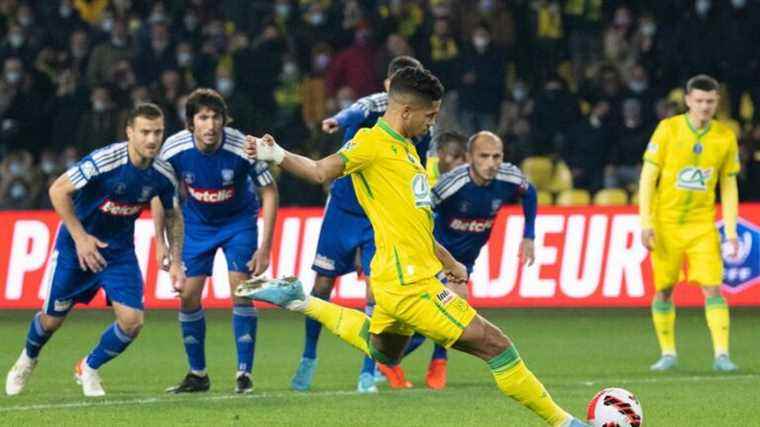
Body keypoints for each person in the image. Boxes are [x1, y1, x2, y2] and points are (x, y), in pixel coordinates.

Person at [242, 67, 586, 427]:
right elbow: (319, 171)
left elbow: (416, 222)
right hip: (409, 283)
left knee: (385, 353)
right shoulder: (370, 143)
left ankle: (301, 300)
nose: (433, 124)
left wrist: (448, 259)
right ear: (406, 111)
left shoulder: (407, 151)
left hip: (400, 277)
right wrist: (277, 154)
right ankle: (567, 423)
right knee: (496, 345)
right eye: (430, 115)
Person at [5, 103, 184, 397]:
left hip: (118, 253)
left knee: (132, 321)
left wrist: (175, 259)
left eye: (158, 132)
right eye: (145, 132)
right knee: (50, 321)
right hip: (75, 249)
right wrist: (81, 237)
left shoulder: (163, 174)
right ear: (130, 133)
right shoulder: (105, 160)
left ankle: (88, 367)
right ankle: (27, 359)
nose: (152, 139)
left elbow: (173, 214)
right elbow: (58, 190)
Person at [292, 56, 431, 393]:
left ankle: (368, 371)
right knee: (323, 286)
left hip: (376, 216)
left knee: (377, 293)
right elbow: (355, 110)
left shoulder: (423, 124)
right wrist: (336, 121)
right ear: (388, 85)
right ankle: (309, 355)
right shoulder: (377, 107)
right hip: (342, 207)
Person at [154, 88, 278, 394]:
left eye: (215, 117)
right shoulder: (173, 149)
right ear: (191, 123)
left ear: (224, 120)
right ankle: (198, 374)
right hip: (196, 224)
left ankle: (244, 373)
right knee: (188, 296)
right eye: (203, 117)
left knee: (241, 289)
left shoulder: (242, 147)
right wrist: (161, 243)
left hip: (238, 223)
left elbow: (270, 191)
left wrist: (265, 248)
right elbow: (160, 196)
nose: (210, 125)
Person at [639, 74, 740, 372]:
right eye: (699, 101)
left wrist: (731, 231)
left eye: (710, 101)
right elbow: (647, 178)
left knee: (713, 288)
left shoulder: (725, 136)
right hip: (666, 224)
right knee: (664, 289)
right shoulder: (667, 130)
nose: (704, 107)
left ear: (717, 102)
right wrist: (646, 221)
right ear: (687, 101)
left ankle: (722, 354)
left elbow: (729, 186)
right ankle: (668, 353)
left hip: (702, 226)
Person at [432, 131, 537, 295]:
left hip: (465, 260)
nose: (491, 163)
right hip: (437, 257)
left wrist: (529, 236)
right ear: (470, 157)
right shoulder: (452, 183)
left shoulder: (509, 177)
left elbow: (530, 193)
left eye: (496, 157)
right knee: (456, 304)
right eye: (484, 156)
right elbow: (421, 212)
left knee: (449, 312)